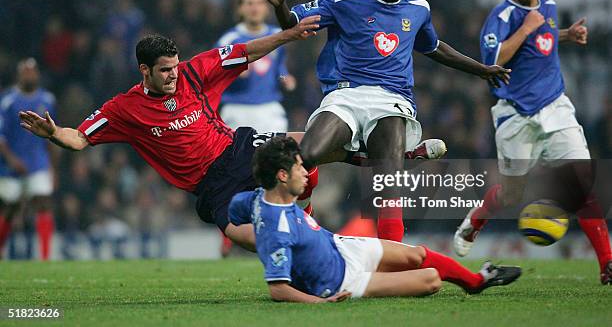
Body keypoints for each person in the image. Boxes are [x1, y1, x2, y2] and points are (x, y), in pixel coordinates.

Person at [18, 21, 442, 252]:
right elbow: (79, 139)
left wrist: (289, 35)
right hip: (210, 186)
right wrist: (54, 132)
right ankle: (314, 250)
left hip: (236, 148)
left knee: (305, 142)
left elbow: (245, 52)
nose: (172, 75)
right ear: (144, 71)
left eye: (174, 66)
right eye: (164, 70)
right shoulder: (124, 108)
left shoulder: (192, 72)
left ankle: (385, 156)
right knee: (243, 237)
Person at [264, 0, 510, 242]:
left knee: (388, 181)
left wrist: (481, 69)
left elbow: (434, 48)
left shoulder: (419, 8)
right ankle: (319, 198)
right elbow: (294, 24)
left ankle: (392, 263)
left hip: (392, 99)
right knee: (307, 156)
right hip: (345, 95)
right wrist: (280, 6)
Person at [453, 0, 612, 285]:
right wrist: (526, 28)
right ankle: (476, 220)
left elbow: (546, 39)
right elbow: (492, 62)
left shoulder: (549, 8)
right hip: (515, 115)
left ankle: (607, 263)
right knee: (511, 195)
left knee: (581, 184)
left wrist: (568, 34)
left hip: (555, 108)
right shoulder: (502, 16)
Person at [229, 136, 521, 302]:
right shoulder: (277, 229)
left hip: (341, 246)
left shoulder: (253, 200)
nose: (306, 173)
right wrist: (321, 303)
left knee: (418, 254)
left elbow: (233, 211)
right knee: (431, 279)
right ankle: (382, 280)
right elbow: (277, 288)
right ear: (282, 176)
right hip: (341, 280)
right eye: (298, 168)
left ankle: (476, 281)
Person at [216, 0, 296, 133]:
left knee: (276, 154)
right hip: (237, 108)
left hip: (269, 108)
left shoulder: (277, 35)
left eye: (260, 3)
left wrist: (285, 78)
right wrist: (233, 75)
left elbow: (279, 70)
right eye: (249, 3)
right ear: (240, 8)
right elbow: (214, 75)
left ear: (267, 8)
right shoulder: (228, 40)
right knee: (238, 155)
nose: (255, 8)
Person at [0, 58, 57, 260]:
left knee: (43, 201)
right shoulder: (8, 100)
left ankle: (45, 257)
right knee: (10, 207)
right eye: (25, 72)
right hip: (10, 166)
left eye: (32, 72)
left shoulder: (48, 100)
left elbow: (53, 136)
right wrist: (11, 159)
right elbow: (1, 137)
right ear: (19, 75)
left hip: (38, 163)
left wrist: (52, 168)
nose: (29, 75)